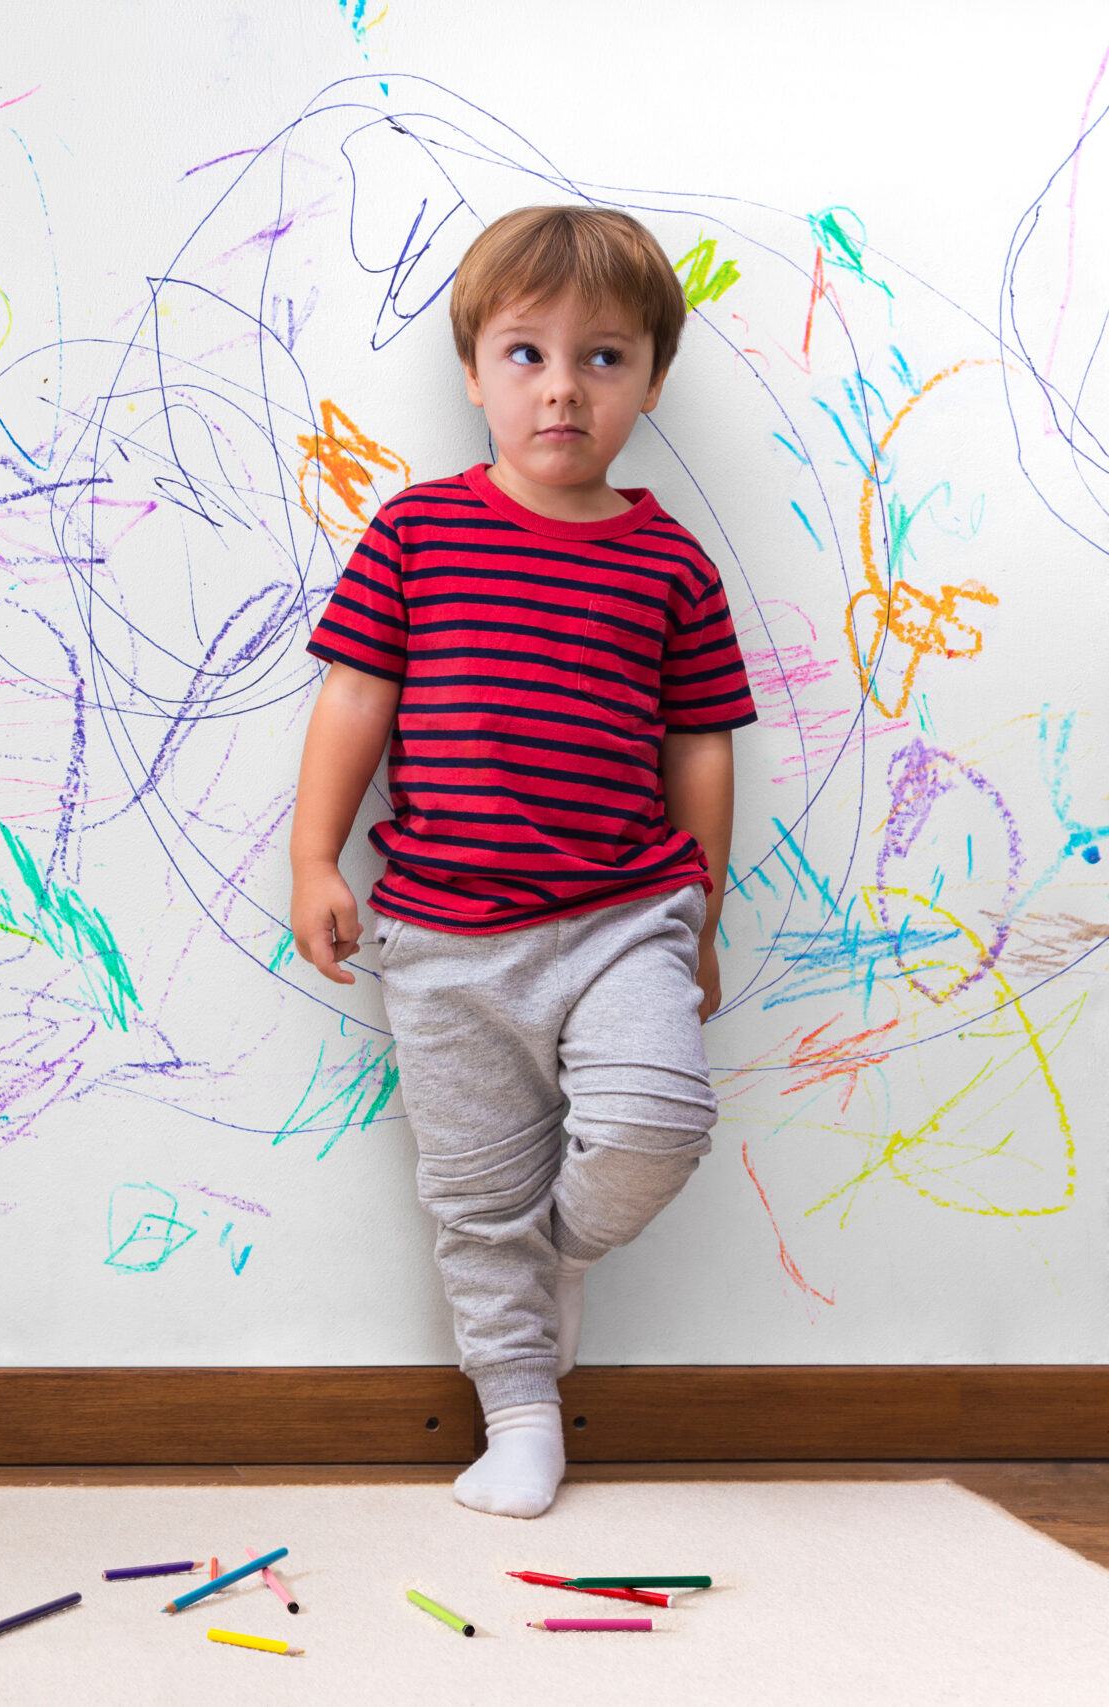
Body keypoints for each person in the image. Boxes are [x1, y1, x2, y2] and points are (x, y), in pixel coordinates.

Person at [288, 205, 755, 1518]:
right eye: (526, 353)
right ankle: (521, 1416)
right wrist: (313, 854)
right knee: (473, 1200)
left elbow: (703, 745)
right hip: (443, 940)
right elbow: (353, 700)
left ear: (651, 380)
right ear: (476, 369)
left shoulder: (669, 561)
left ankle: (557, 1251)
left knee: (660, 1121)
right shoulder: (418, 535)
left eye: (603, 358)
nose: (562, 388)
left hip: (626, 919)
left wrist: (702, 915)